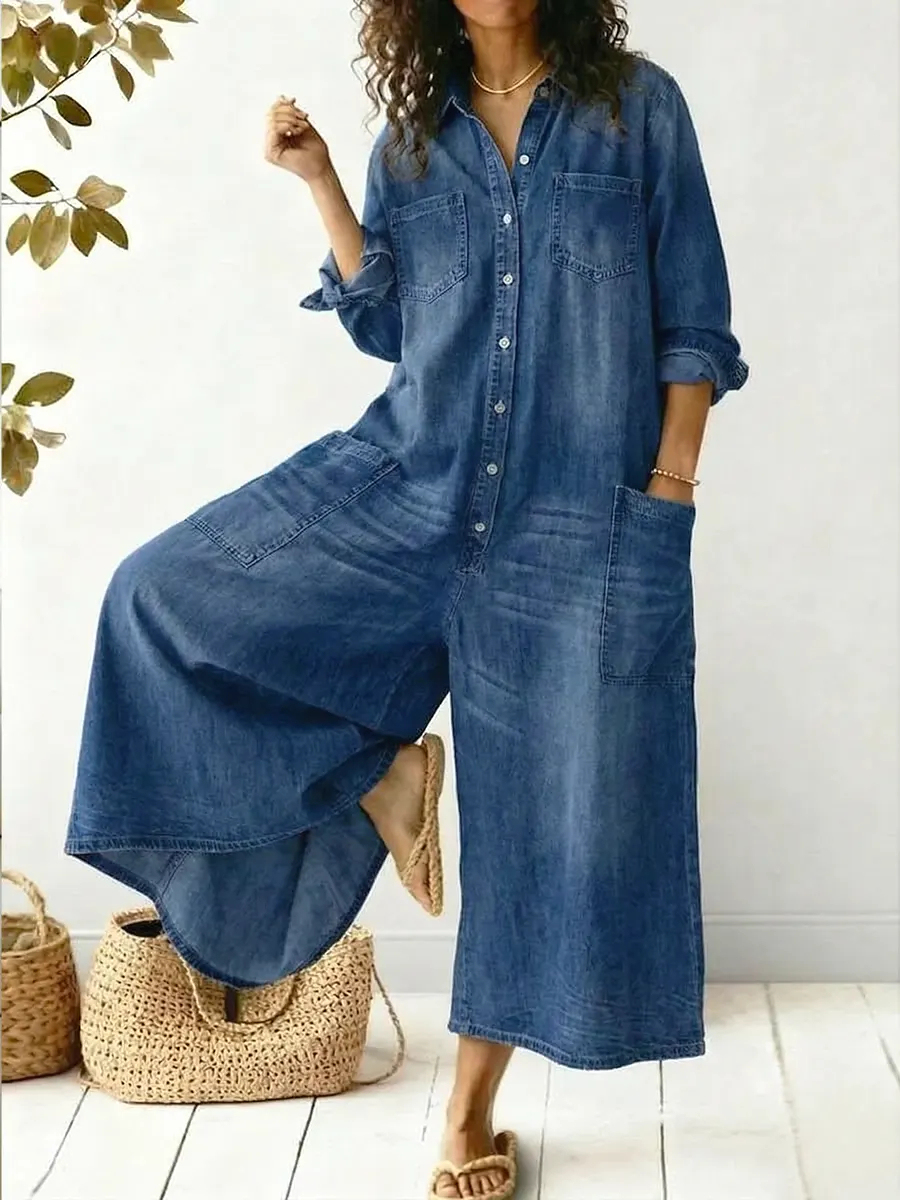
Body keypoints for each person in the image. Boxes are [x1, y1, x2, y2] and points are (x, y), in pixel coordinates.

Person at [65, 1, 749, 1196]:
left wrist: (667, 494)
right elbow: (387, 321)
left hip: (577, 525)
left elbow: (693, 324)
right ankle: (385, 775)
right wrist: (323, 179)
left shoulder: (638, 111)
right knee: (161, 597)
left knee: (548, 828)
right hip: (410, 484)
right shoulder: (413, 143)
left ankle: (467, 1117)